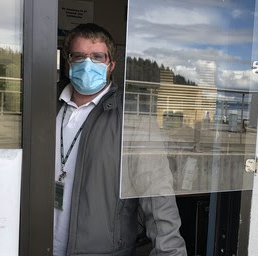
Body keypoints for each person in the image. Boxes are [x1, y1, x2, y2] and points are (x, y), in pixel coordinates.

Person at [54, 23, 187, 256]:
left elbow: (156, 195)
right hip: (36, 243)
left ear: (111, 65)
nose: (88, 64)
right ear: (68, 60)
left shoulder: (132, 119)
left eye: (97, 57)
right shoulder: (46, 104)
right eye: (79, 56)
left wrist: (170, 252)